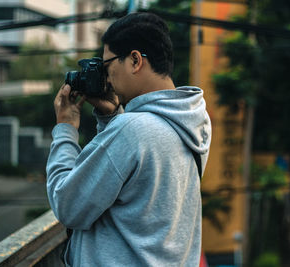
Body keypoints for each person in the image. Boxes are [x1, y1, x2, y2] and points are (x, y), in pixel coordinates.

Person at [46, 12, 211, 266]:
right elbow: (143, 197)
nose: (106, 78)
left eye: (107, 66)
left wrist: (65, 129)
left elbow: (68, 205)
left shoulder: (132, 130)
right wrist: (111, 116)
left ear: (135, 60)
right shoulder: (195, 121)